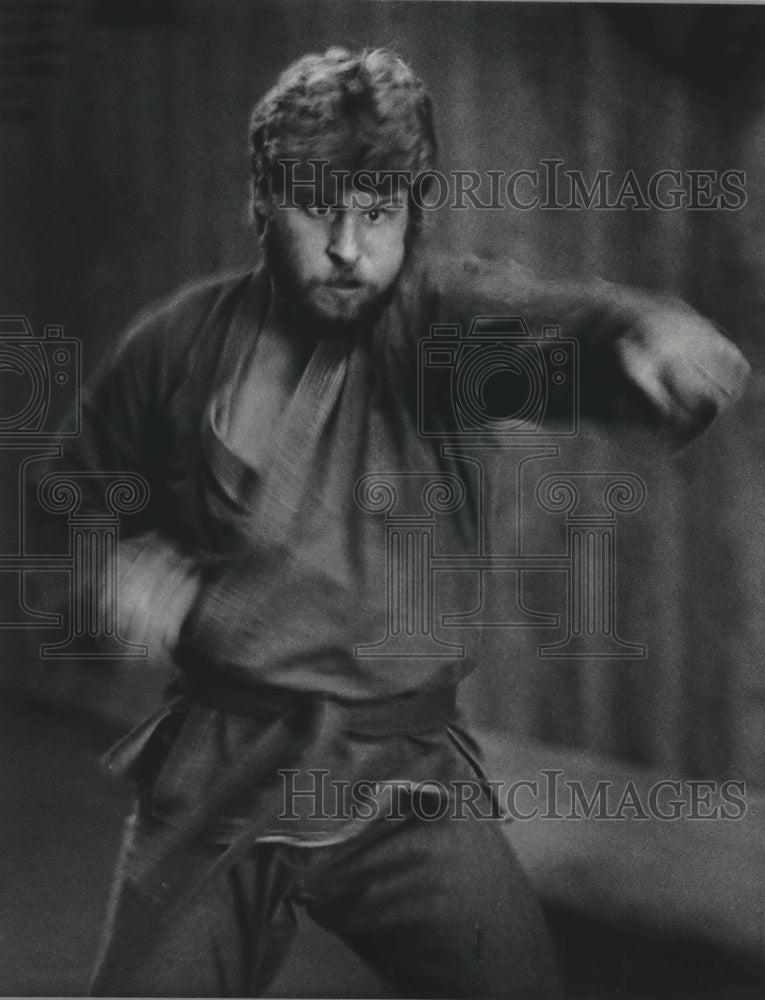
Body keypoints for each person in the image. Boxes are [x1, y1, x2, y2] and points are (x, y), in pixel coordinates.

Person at [37, 47, 750, 998]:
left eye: (378, 213)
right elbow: (77, 488)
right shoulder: (175, 344)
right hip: (219, 764)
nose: (346, 246)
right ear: (260, 203)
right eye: (313, 207)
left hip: (401, 781)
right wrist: (111, 566)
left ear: (411, 212)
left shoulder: (434, 327)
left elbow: (536, 327)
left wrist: (631, 337)